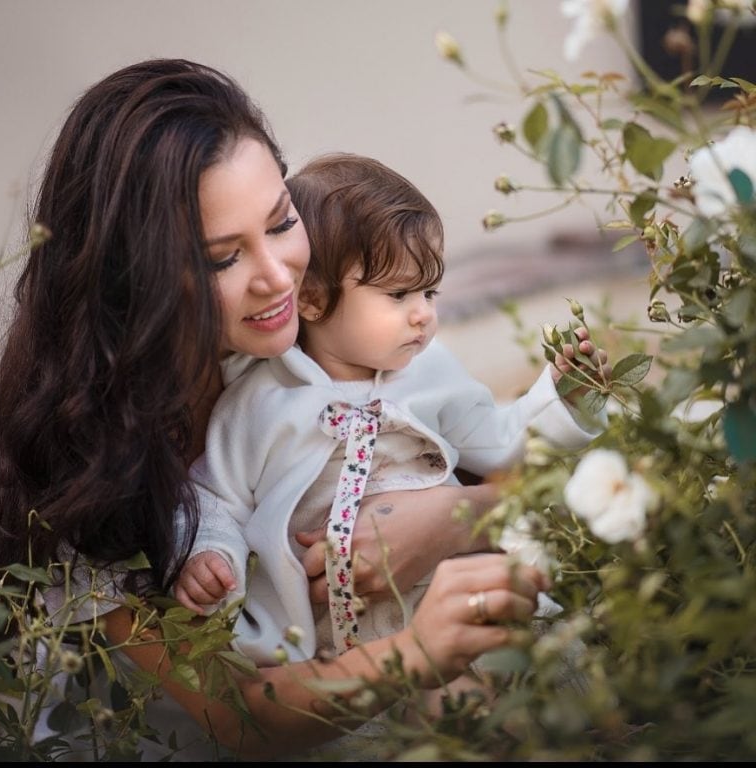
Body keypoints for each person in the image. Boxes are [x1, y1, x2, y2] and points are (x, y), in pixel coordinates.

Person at [0, 59, 560, 762]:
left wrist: (451, 517)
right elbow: (240, 717)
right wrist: (418, 649)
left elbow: (514, 456)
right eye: (223, 258)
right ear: (138, 277)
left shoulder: (308, 348)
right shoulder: (83, 463)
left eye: (282, 220)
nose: (278, 275)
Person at [172, 154, 609, 669]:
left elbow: (501, 439)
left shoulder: (430, 374)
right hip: (348, 638)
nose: (423, 313)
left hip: (458, 587)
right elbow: (214, 498)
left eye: (429, 290)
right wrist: (211, 556)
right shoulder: (260, 403)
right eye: (399, 293)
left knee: (537, 679)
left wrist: (560, 400)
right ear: (312, 299)